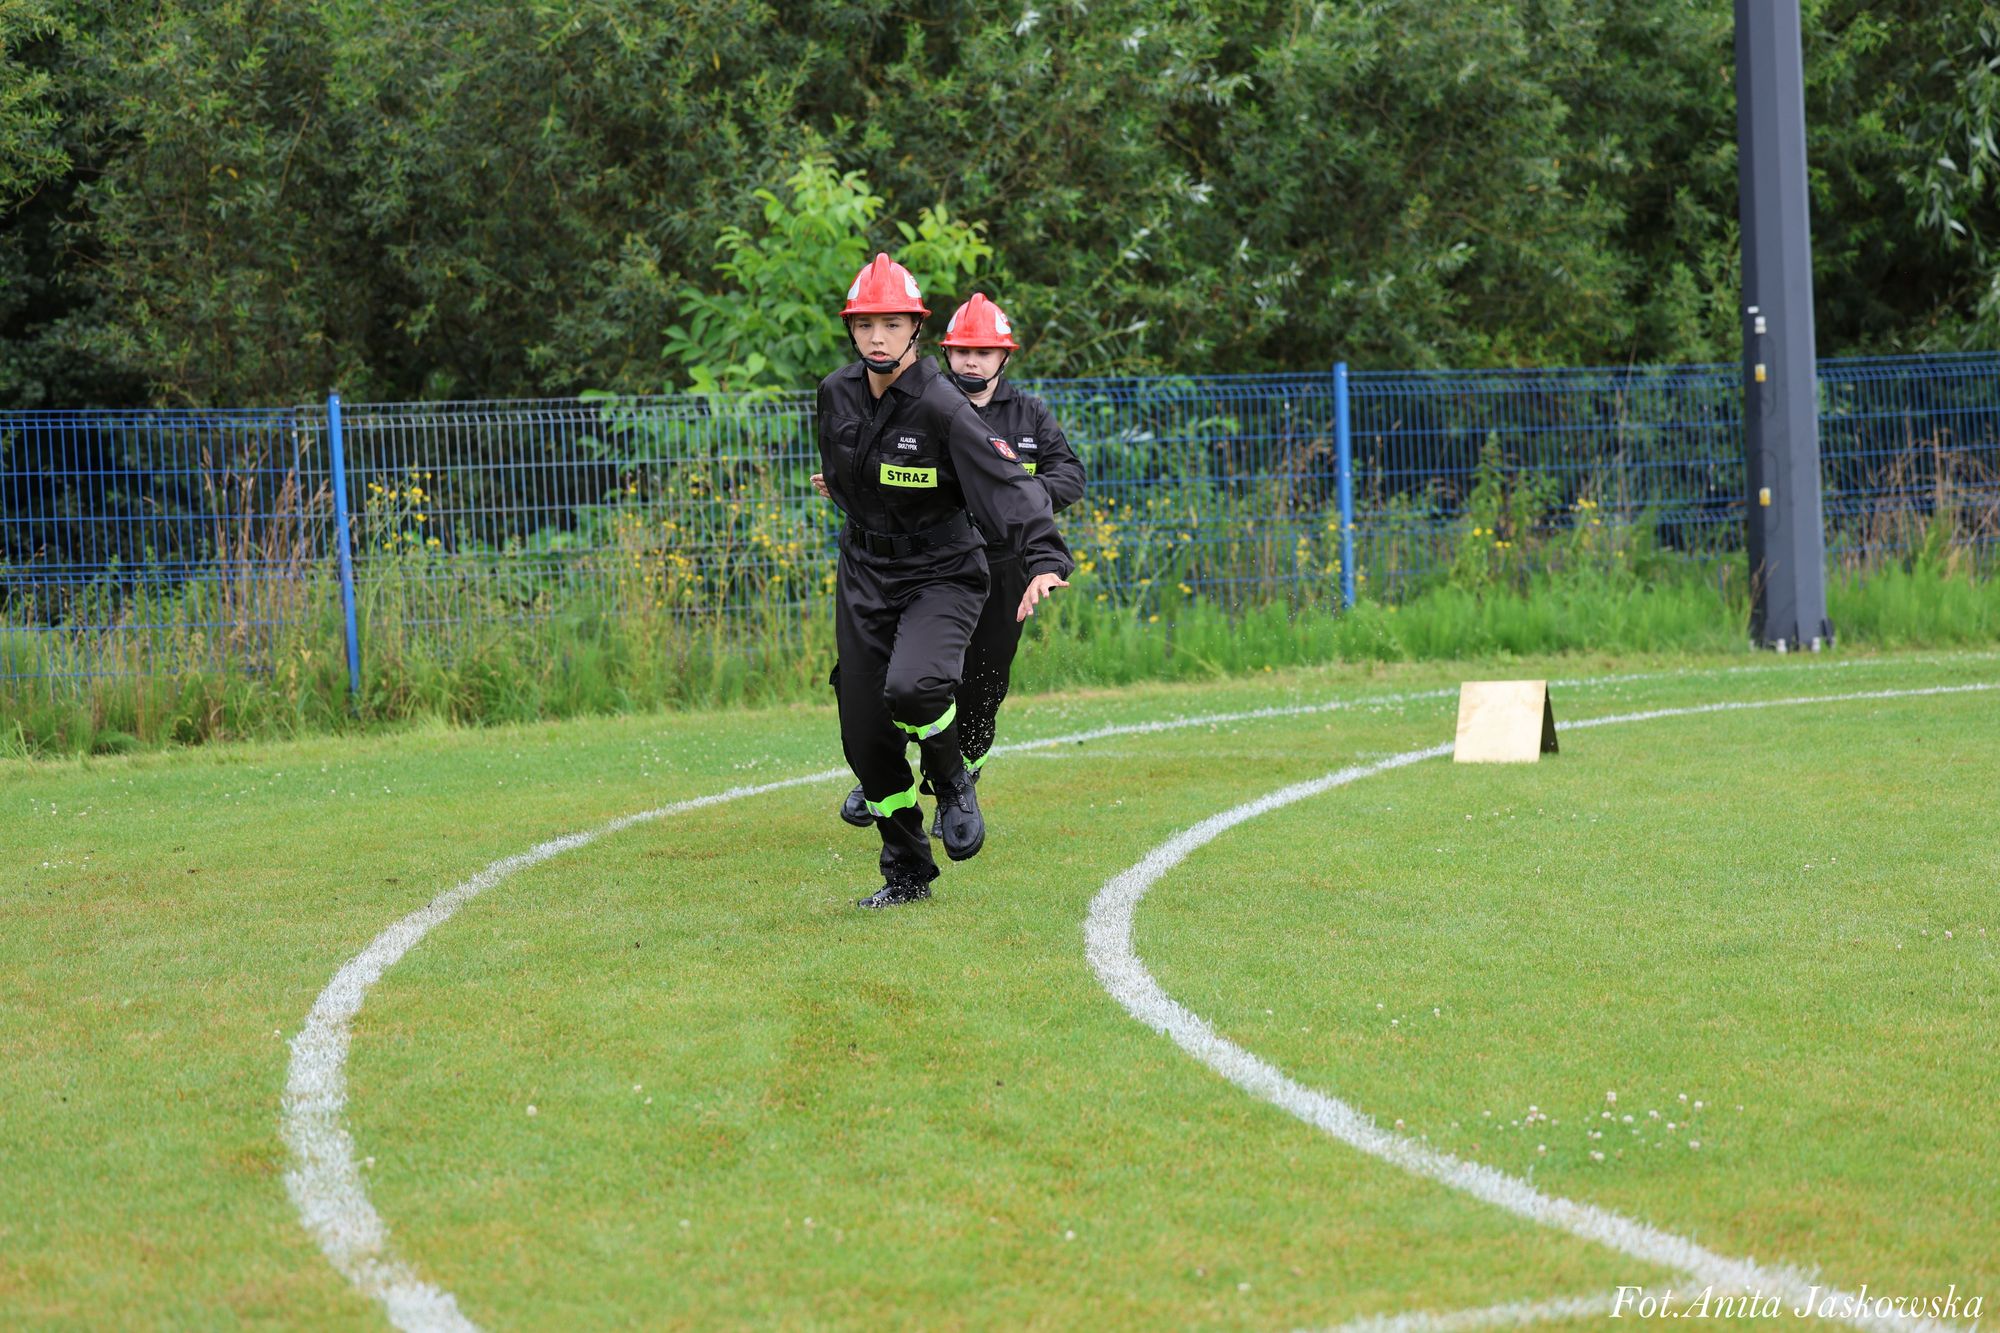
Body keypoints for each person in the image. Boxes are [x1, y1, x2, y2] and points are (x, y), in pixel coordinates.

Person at [815, 254, 1072, 909]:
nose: (877, 337)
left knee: (917, 684)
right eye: (866, 324)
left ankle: (954, 778)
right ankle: (906, 873)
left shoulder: (942, 403)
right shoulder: (834, 394)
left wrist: (1043, 555)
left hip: (943, 573)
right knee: (865, 734)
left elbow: (1009, 482)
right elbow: (851, 476)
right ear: (851, 329)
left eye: (892, 324)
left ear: (914, 331)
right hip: (864, 573)